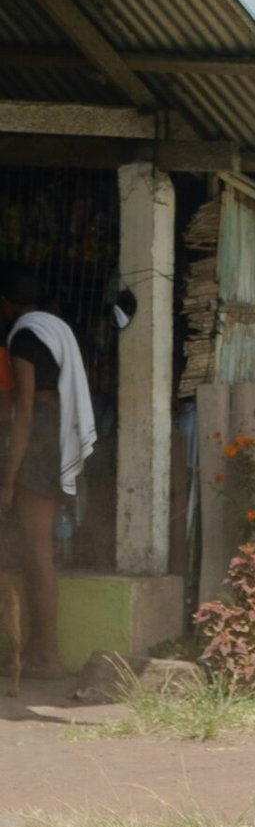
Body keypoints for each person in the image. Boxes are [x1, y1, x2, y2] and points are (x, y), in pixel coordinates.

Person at [0, 266, 97, 677]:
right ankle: (39, 652)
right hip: (59, 436)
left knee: (37, 556)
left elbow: (23, 413)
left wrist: (8, 479)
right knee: (36, 554)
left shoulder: (23, 337)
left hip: (40, 445)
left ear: (6, 303)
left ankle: (48, 656)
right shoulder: (54, 327)